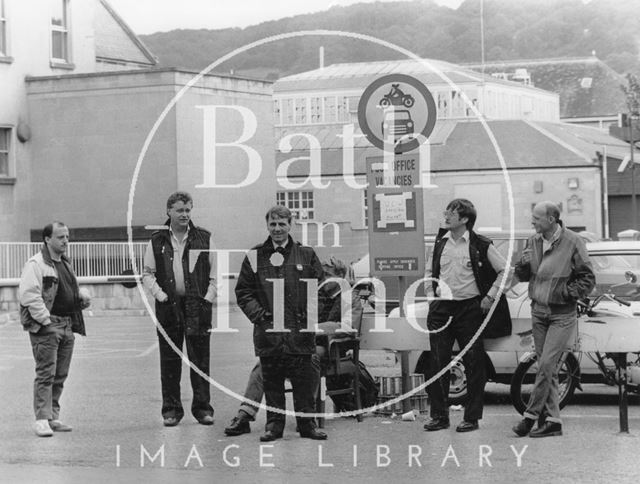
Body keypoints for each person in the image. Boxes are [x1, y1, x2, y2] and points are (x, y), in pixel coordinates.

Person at [225, 258, 355, 436]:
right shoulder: (315, 294)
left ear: (340, 277)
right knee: (265, 362)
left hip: (329, 348)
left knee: (310, 358)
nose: (323, 279)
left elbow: (348, 327)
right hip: (300, 342)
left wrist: (315, 328)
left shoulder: (349, 297)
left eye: (328, 275)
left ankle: (307, 417)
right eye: (322, 275)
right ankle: (245, 414)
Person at [235, 205, 328, 441]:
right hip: (269, 333)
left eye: (282, 224)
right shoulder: (255, 256)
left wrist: (308, 316)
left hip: (300, 333)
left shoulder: (306, 255)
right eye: (273, 224)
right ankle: (273, 427)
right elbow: (243, 292)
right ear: (267, 225)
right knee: (272, 382)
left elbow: (320, 290)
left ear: (290, 225)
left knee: (303, 383)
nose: (277, 229)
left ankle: (308, 426)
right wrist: (261, 316)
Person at [423, 199, 511, 433]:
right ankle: (439, 416)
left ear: (465, 219)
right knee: (438, 362)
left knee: (474, 363)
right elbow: (429, 271)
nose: (447, 215)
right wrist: (431, 296)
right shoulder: (439, 243)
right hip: (442, 308)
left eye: (452, 212)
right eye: (447, 211)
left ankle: (471, 418)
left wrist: (490, 296)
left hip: (470, 309)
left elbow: (505, 271)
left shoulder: (481, 244)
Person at [512, 201, 595, 438]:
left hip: (561, 314)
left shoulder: (573, 241)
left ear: (551, 220)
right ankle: (553, 422)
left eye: (536, 218)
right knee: (547, 369)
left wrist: (566, 294)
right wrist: (523, 264)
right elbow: (523, 274)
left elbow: (588, 279)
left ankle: (529, 417)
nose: (532, 222)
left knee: (547, 365)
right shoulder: (533, 241)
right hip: (538, 311)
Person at [142, 191, 217, 427]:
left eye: (187, 210)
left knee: (200, 361)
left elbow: (216, 274)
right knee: (170, 360)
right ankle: (171, 411)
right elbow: (147, 273)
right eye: (179, 210)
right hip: (168, 308)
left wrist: (207, 298)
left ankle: (203, 409)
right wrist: (161, 296)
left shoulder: (204, 238)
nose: (184, 214)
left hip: (198, 307)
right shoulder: (156, 240)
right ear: (169, 212)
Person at [19, 221, 91, 437]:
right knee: (45, 374)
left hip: (67, 324)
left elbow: (66, 290)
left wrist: (80, 299)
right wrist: (47, 322)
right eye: (60, 237)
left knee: (60, 374)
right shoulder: (37, 263)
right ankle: (41, 419)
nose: (66, 241)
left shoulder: (65, 263)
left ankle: (52, 417)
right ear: (47, 239)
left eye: (67, 236)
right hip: (48, 327)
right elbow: (29, 296)